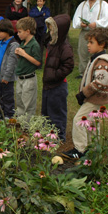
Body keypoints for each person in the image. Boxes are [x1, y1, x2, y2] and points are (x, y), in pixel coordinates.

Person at [62, 28, 108, 159]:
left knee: (79, 120)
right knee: (92, 124)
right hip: (94, 99)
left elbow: (100, 82)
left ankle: (80, 149)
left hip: (95, 99)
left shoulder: (103, 63)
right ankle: (93, 149)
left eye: (91, 42)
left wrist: (84, 94)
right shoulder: (96, 59)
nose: (88, 45)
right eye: (88, 42)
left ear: (102, 44)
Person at [41, 14, 74, 142]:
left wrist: (55, 75)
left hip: (57, 85)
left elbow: (69, 65)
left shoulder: (65, 47)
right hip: (48, 84)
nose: (50, 31)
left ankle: (59, 137)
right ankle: (47, 133)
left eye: (52, 29)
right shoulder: (52, 42)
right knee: (46, 111)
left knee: (57, 111)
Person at [72, 0, 108, 79]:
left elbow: (107, 18)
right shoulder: (82, 4)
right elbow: (76, 18)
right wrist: (80, 24)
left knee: (97, 52)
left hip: (98, 33)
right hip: (85, 32)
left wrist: (96, 23)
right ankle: (83, 73)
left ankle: (96, 72)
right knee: (83, 51)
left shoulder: (103, 4)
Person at [0, 19, 19, 119]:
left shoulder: (13, 45)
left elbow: (11, 63)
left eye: (0, 32)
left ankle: (8, 114)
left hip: (6, 77)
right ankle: (0, 112)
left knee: (7, 96)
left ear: (7, 31)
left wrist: (7, 76)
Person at [14, 17, 42, 119]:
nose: (18, 34)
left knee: (28, 104)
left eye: (20, 32)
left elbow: (38, 62)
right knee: (20, 103)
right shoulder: (23, 43)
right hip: (20, 77)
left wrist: (24, 54)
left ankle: (27, 126)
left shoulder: (34, 45)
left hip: (29, 79)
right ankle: (21, 123)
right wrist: (18, 54)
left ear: (27, 31)